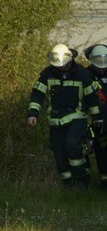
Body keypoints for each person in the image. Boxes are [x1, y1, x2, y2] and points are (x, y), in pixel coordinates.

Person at [27, 44, 101, 187]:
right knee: (59, 152)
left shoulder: (81, 74)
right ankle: (68, 183)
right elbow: (37, 94)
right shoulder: (47, 73)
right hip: (55, 120)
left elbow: (92, 97)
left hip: (77, 117)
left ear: (69, 59)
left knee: (72, 144)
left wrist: (97, 117)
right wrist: (33, 113)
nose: (60, 67)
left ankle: (81, 179)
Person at [83, 44, 107, 190]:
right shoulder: (85, 75)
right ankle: (84, 186)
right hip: (92, 120)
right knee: (91, 151)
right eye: (99, 65)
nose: (102, 68)